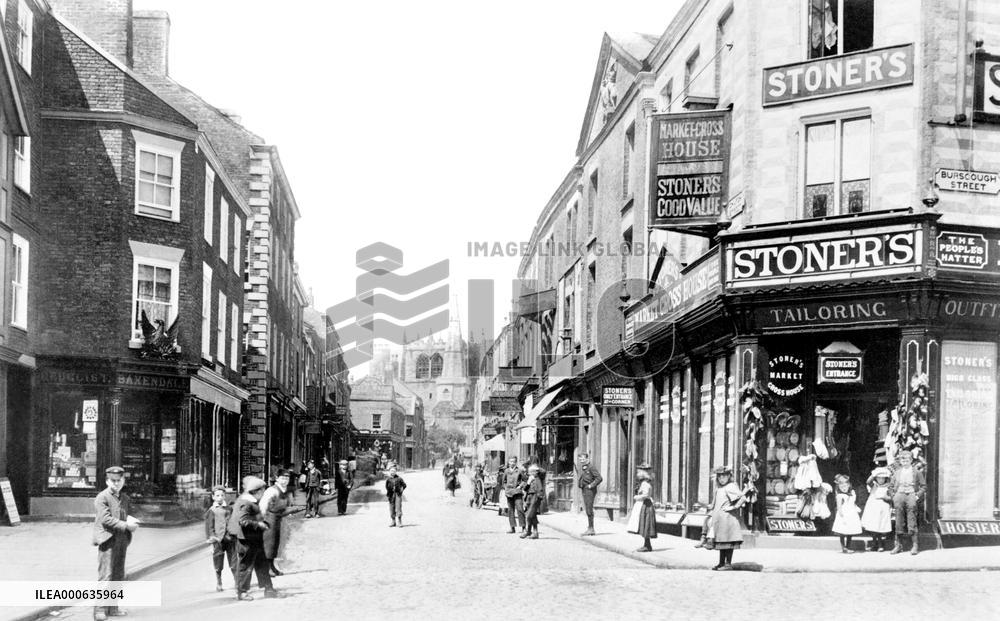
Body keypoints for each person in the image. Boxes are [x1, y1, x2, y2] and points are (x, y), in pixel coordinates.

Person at [92, 466, 138, 621]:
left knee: (118, 574)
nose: (116, 483)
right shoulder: (102, 497)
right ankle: (99, 609)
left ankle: (113, 607)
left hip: (122, 540)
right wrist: (126, 525)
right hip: (107, 540)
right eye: (113, 481)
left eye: (119, 480)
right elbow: (105, 519)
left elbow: (127, 514)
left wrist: (132, 520)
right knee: (106, 575)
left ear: (123, 481)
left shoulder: (125, 498)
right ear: (107, 481)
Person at [228, 476, 278, 600]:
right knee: (245, 565)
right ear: (257, 491)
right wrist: (258, 524)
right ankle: (242, 592)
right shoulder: (245, 503)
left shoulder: (250, 501)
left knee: (262, 563)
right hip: (246, 540)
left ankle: (268, 589)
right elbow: (243, 521)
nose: (264, 493)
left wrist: (263, 523)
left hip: (255, 538)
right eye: (263, 490)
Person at [707, 466, 746, 570]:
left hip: (728, 520)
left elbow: (742, 497)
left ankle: (728, 564)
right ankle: (721, 563)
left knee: (728, 543)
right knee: (721, 543)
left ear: (729, 476)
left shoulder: (731, 486)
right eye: (719, 476)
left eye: (724, 476)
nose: (721, 479)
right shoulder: (720, 488)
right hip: (720, 520)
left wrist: (733, 507)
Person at [888, 449, 925, 555]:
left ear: (911, 460)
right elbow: (890, 486)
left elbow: (923, 486)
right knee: (898, 520)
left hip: (911, 495)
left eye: (907, 460)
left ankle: (915, 545)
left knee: (911, 519)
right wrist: (894, 496)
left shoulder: (916, 472)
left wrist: (917, 496)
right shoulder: (897, 473)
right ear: (900, 461)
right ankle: (898, 545)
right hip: (899, 495)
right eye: (903, 460)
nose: (905, 462)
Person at [204, 485, 235, 592]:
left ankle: (237, 582)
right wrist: (212, 538)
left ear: (225, 496)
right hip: (218, 540)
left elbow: (232, 522)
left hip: (229, 539)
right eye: (217, 495)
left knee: (233, 562)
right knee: (218, 562)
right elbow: (209, 527)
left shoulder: (229, 509)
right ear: (213, 497)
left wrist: (233, 534)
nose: (220, 497)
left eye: (222, 495)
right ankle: (219, 582)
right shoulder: (212, 510)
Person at [260, 469, 291, 576]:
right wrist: (262, 520)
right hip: (269, 518)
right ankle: (267, 568)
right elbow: (263, 506)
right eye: (282, 478)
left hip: (279, 518)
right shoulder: (271, 490)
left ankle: (272, 566)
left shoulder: (285, 490)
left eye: (287, 478)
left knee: (276, 543)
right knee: (269, 543)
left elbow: (285, 505)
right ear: (277, 478)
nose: (285, 481)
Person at [626, 463, 656, 552]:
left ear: (643, 473)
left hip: (646, 505)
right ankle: (647, 545)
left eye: (639, 472)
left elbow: (646, 495)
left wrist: (636, 497)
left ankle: (647, 546)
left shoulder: (645, 484)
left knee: (646, 525)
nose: (637, 474)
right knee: (644, 525)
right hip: (645, 505)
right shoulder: (644, 483)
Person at [861, 466, 893, 551]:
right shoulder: (873, 485)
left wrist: (884, 497)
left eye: (883, 478)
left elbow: (891, 498)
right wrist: (874, 473)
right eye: (879, 478)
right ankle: (874, 544)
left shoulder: (888, 487)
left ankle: (880, 545)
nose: (881, 480)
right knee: (873, 526)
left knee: (880, 526)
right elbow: (868, 481)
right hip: (873, 507)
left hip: (882, 508)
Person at [832, 474, 862, 553]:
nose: (844, 488)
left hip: (851, 513)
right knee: (842, 531)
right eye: (842, 487)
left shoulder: (852, 493)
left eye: (845, 486)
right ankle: (843, 547)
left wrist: (856, 507)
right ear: (839, 487)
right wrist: (841, 514)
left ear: (849, 485)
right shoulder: (839, 495)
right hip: (844, 513)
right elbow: (839, 506)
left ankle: (848, 546)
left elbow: (853, 502)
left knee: (850, 530)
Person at [576, 453, 603, 536]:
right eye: (580, 459)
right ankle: (590, 528)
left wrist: (591, 485)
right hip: (584, 490)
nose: (581, 461)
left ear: (587, 458)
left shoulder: (591, 467)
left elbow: (599, 478)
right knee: (587, 508)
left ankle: (591, 528)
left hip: (589, 490)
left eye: (583, 459)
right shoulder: (584, 467)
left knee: (589, 509)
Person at [502, 457, 527, 533]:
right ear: (508, 462)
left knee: (520, 509)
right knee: (510, 510)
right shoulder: (506, 471)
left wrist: (520, 486)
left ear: (516, 462)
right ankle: (512, 527)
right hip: (509, 493)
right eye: (510, 461)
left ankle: (523, 527)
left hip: (517, 492)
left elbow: (524, 480)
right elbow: (504, 481)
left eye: (513, 462)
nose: (512, 463)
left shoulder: (519, 471)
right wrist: (506, 488)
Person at [521, 465, 544, 539]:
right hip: (529, 498)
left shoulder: (538, 479)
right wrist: (528, 482)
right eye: (529, 471)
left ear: (536, 472)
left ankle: (530, 531)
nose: (529, 473)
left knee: (529, 515)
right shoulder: (530, 479)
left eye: (531, 472)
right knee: (532, 515)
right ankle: (532, 532)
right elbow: (525, 489)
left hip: (535, 497)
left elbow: (540, 491)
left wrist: (536, 469)